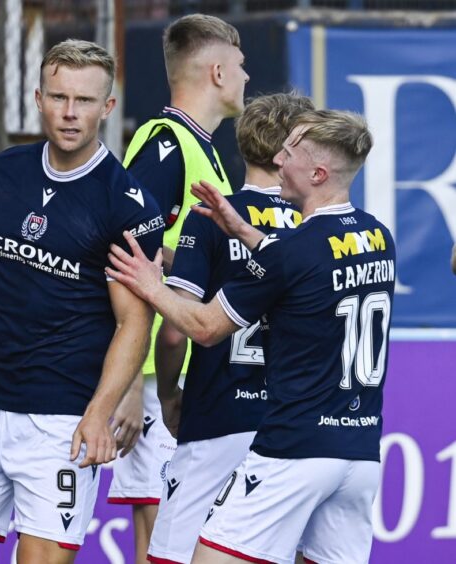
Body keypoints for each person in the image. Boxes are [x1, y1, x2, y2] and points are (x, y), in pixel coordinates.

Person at [0, 40, 164, 564]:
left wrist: (99, 412)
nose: (70, 113)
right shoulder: (5, 171)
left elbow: (133, 324)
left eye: (85, 101)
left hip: (60, 424)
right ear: (38, 98)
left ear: (107, 107)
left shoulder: (127, 202)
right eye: (59, 97)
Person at [107, 109, 395, 564]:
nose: (279, 159)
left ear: (318, 173)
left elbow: (203, 328)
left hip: (292, 450)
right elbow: (305, 267)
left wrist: (150, 285)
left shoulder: (294, 252)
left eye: (291, 152)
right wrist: (242, 230)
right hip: (359, 455)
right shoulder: (378, 236)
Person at [146, 92, 314, 564]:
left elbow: (177, 328)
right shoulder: (313, 227)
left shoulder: (213, 216)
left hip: (218, 415)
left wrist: (167, 395)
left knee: (175, 556)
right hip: (293, 426)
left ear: (242, 147)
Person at [108, 15, 249, 562]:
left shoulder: (206, 150)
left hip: (181, 367)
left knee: (182, 534)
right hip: (145, 377)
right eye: (239, 66)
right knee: (157, 532)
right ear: (216, 71)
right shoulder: (166, 144)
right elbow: (123, 251)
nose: (245, 76)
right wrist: (123, 385)